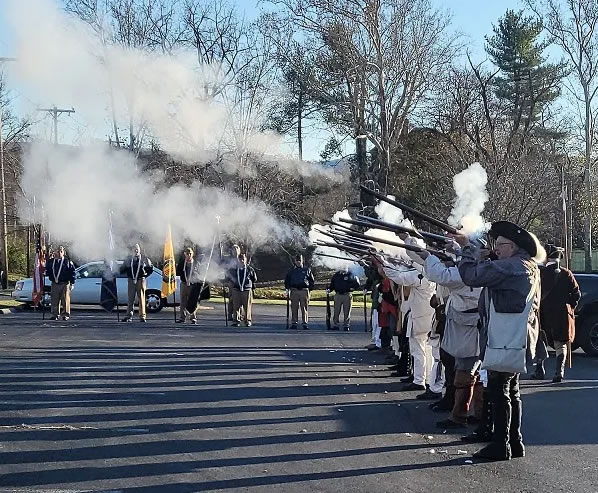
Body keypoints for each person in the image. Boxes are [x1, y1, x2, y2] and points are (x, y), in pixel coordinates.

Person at [454, 221, 543, 461]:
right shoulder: (526, 265)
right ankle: (515, 442)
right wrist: (483, 255)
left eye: (501, 245)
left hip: (503, 336)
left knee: (498, 390)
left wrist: (467, 250)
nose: (498, 249)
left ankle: (500, 444)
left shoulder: (510, 266)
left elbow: (472, 276)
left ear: (513, 246)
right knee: (511, 391)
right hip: (515, 336)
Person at [418, 249, 483, 426]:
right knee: (475, 373)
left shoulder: (467, 274)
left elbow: (437, 274)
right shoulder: (480, 270)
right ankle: (479, 414)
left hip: (466, 328)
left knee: (464, 372)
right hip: (472, 325)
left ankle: (459, 415)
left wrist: (429, 257)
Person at [378, 259, 436, 392]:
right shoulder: (431, 272)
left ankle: (419, 380)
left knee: (418, 350)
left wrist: (385, 263)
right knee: (426, 350)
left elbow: (399, 277)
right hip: (427, 315)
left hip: (418, 317)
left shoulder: (420, 274)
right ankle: (426, 379)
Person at [533, 244, 581, 383]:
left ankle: (539, 370)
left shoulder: (539, 273)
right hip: (562, 313)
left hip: (543, 312)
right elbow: (576, 293)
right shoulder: (566, 273)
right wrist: (570, 306)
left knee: (540, 342)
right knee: (561, 344)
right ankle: (559, 372)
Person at [120, 244, 154, 322]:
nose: (135, 250)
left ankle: (142, 316)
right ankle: (128, 316)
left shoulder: (145, 259)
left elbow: (151, 268)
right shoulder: (128, 259)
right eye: (134, 249)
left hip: (140, 280)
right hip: (131, 280)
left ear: (139, 250)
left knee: (141, 298)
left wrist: (145, 275)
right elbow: (122, 269)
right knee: (130, 298)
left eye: (137, 249)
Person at [284, 254, 315, 330]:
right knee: (294, 307)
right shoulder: (291, 270)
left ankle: (305, 323)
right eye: (297, 261)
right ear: (295, 261)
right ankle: (294, 323)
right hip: (294, 290)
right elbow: (287, 280)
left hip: (304, 290)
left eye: (299, 261)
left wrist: (309, 290)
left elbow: (311, 280)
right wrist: (287, 289)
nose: (298, 262)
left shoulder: (307, 269)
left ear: (302, 261)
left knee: (304, 307)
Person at [46, 245, 76, 321]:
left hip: (64, 283)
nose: (59, 253)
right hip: (55, 283)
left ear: (63, 253)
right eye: (57, 251)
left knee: (65, 299)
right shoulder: (51, 261)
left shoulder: (67, 262)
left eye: (61, 252)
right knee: (54, 300)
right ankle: (54, 314)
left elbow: (72, 272)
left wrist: (72, 283)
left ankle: (66, 314)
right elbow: (48, 270)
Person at [327, 266, 361, 330]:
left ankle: (346, 325)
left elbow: (357, 283)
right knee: (336, 310)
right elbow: (332, 285)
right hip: (338, 295)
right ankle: (336, 324)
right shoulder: (336, 275)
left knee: (347, 311)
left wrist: (353, 288)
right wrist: (329, 289)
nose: (344, 268)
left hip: (347, 294)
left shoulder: (351, 274)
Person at [228, 253, 257, 327]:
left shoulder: (249, 269)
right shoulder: (234, 269)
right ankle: (236, 320)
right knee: (236, 306)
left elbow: (254, 279)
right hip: (236, 289)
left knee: (247, 306)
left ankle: (247, 320)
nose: (242, 260)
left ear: (246, 260)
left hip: (246, 290)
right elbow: (229, 278)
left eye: (243, 259)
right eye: (240, 259)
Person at [176, 247, 203, 324]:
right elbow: (178, 271)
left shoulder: (196, 263)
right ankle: (182, 317)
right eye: (187, 253)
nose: (189, 255)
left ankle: (193, 317)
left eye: (190, 253)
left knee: (192, 301)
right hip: (184, 284)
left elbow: (199, 273)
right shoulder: (182, 263)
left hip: (192, 284)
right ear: (185, 254)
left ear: (193, 254)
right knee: (183, 301)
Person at [226, 244, 241, 322]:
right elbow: (227, 272)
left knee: (240, 299)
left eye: (237, 250)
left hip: (240, 282)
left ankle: (239, 315)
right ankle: (230, 314)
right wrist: (232, 279)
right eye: (234, 250)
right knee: (231, 298)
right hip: (232, 282)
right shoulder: (229, 260)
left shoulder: (241, 259)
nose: (235, 251)